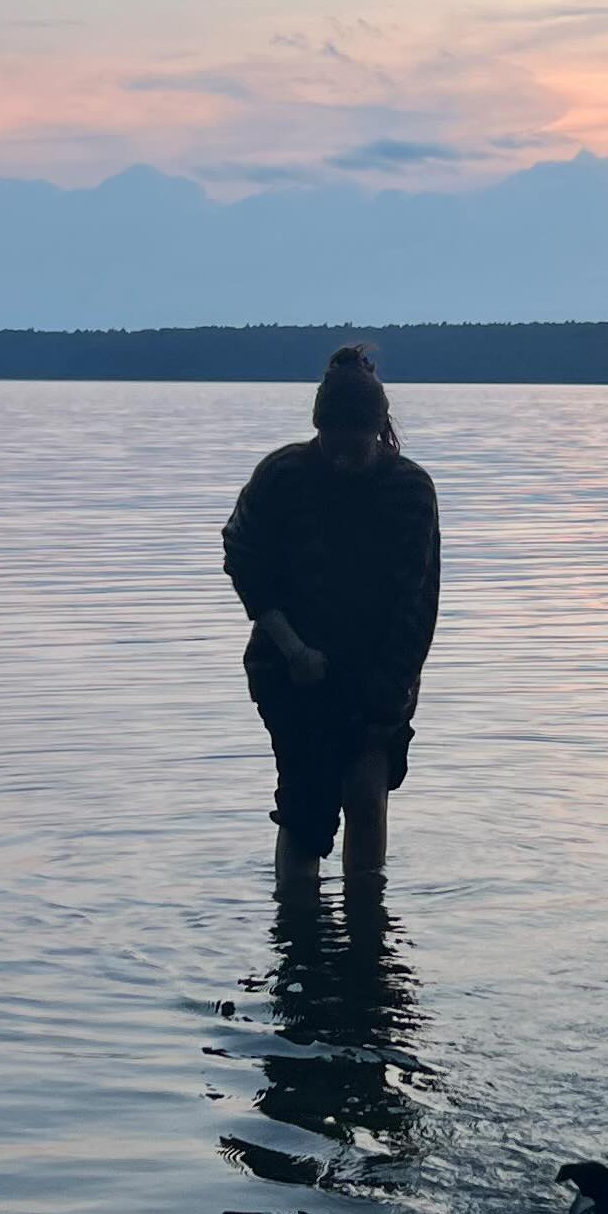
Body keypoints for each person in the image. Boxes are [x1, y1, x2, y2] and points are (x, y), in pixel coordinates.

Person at [222, 346, 441, 884]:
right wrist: (293, 648)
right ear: (317, 428)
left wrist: (392, 691)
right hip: (289, 671)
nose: (341, 456)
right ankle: (297, 939)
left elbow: (417, 601)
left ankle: (368, 938)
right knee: (307, 811)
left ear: (378, 431)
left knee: (367, 798)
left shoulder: (409, 491)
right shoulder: (282, 477)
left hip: (378, 674)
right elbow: (244, 559)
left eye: (355, 444)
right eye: (330, 442)